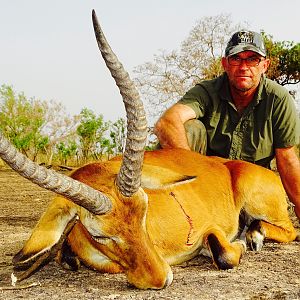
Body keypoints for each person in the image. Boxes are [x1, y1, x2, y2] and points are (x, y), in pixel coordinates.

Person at [154, 30, 300, 220]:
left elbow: (287, 160)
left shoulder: (279, 99)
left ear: (265, 65)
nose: (244, 67)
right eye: (236, 59)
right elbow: (166, 122)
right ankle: (170, 208)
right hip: (204, 190)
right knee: (190, 128)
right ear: (225, 64)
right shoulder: (206, 91)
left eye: (252, 59)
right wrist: (195, 176)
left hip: (250, 191)